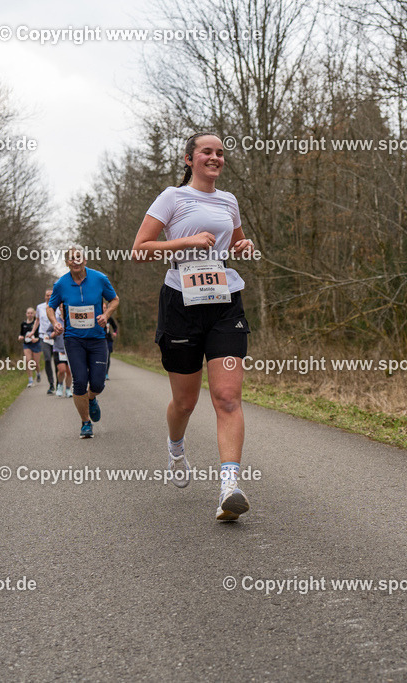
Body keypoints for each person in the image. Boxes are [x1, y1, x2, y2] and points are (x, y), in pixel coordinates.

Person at [131, 132, 255, 521]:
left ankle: (229, 488)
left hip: (223, 299)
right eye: (207, 152)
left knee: (227, 396)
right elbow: (139, 249)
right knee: (185, 401)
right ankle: (176, 446)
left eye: (220, 153)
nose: (215, 158)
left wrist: (243, 248)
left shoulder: (229, 200)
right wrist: (182, 243)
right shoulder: (172, 197)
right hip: (181, 300)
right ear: (189, 158)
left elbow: (234, 243)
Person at [47, 245, 119, 438]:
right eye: (71, 258)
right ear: (67, 262)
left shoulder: (100, 279)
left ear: (85, 260)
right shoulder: (61, 284)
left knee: (97, 383)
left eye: (78, 256)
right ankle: (85, 422)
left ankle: (92, 397)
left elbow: (114, 300)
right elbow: (50, 307)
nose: (75, 260)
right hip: (73, 339)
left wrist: (106, 314)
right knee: (79, 382)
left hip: (96, 339)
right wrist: (55, 323)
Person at [37, 289, 56, 394]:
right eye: (47, 295)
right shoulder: (39, 307)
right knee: (48, 359)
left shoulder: (58, 306)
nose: (49, 297)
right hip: (44, 336)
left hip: (56, 337)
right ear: (44, 296)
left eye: (51, 295)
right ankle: (51, 384)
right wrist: (32, 332)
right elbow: (37, 320)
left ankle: (59, 384)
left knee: (58, 361)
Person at [51, 307, 72, 397]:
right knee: (62, 370)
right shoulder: (55, 320)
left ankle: (67, 389)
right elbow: (49, 333)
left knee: (69, 372)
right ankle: (59, 385)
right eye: (62, 306)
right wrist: (55, 333)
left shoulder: (71, 319)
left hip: (70, 349)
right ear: (60, 308)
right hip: (58, 349)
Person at [19, 307, 42, 387]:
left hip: (36, 344)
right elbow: (21, 334)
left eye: (31, 313)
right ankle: (30, 380)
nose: (30, 314)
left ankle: (38, 373)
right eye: (28, 313)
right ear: (26, 314)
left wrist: (37, 339)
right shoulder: (23, 324)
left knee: (35, 363)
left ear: (34, 314)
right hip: (27, 345)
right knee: (28, 361)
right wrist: (20, 337)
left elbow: (40, 334)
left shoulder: (37, 323)